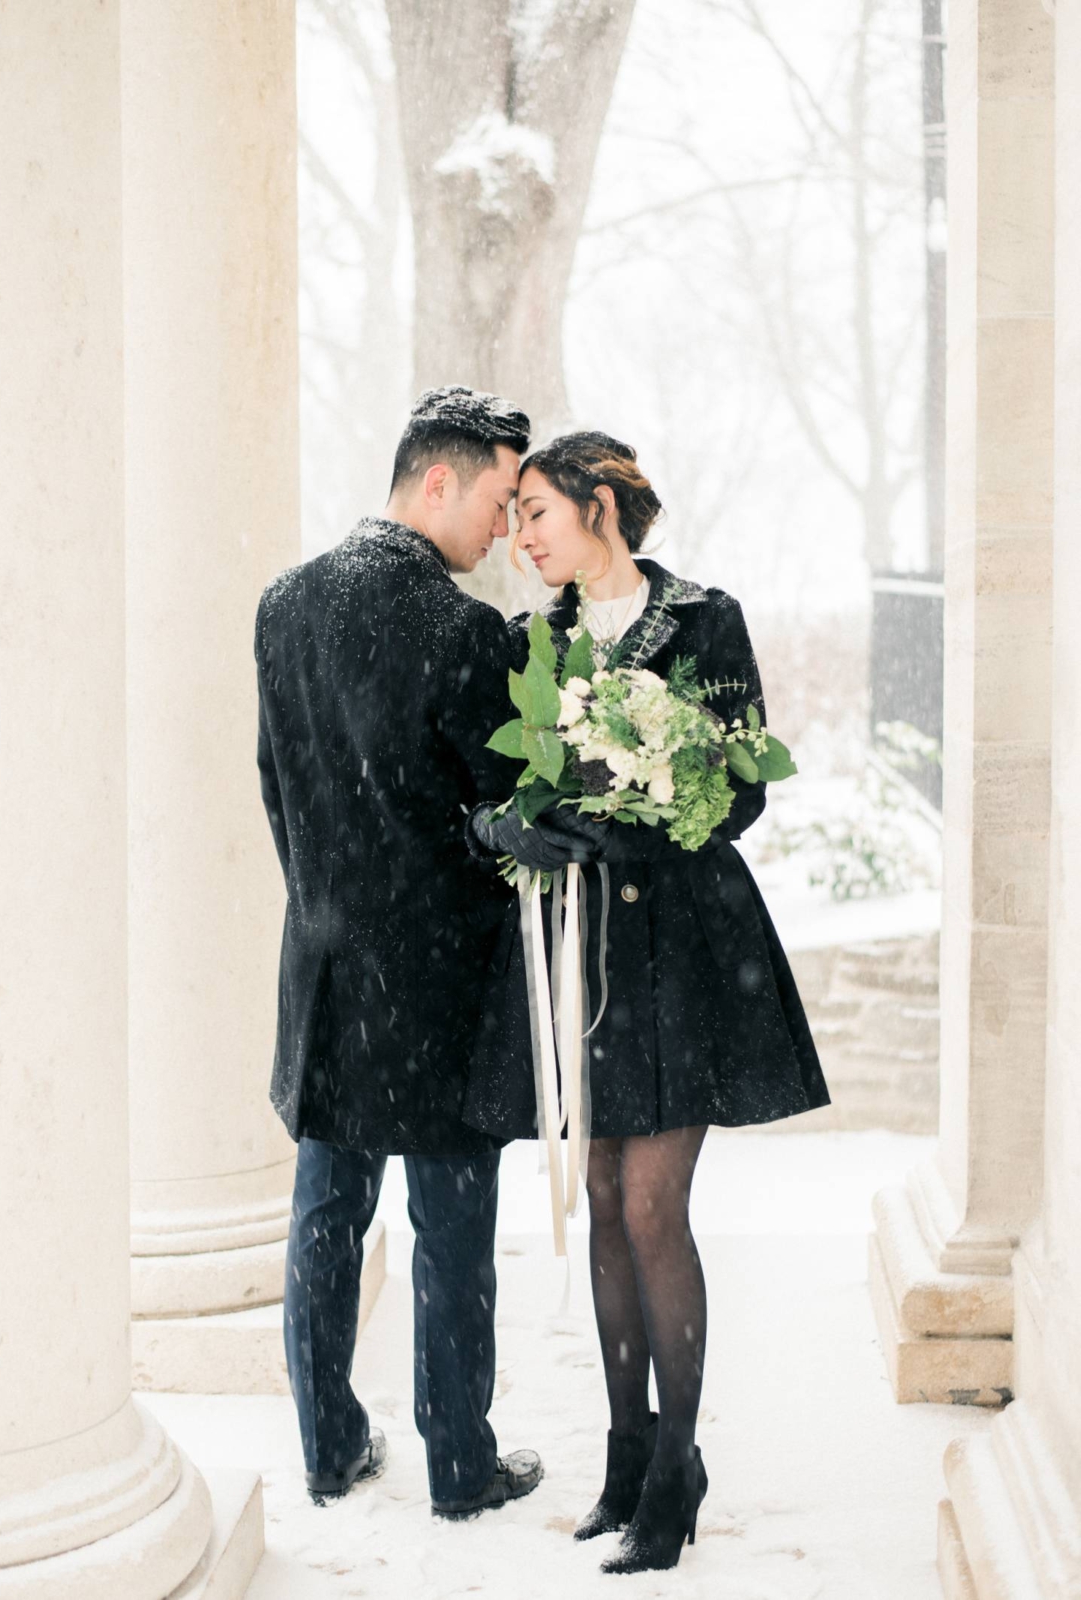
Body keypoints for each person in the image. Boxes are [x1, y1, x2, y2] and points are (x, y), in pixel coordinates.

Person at [467, 432, 831, 1573]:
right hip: (589, 948)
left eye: (537, 512)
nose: (521, 536)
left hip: (687, 944)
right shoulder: (540, 642)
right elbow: (493, 787)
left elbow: (735, 790)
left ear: (602, 507)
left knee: (651, 1202)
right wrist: (513, 826)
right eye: (516, 515)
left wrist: (630, 813)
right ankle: (624, 1455)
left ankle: (677, 1463)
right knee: (605, 1188)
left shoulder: (704, 621)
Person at [255, 386, 544, 1519]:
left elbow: (277, 786)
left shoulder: (283, 604)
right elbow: (502, 806)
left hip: (326, 968)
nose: (502, 530)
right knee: (451, 1226)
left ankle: (329, 1446)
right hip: (440, 978)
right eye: (497, 497)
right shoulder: (461, 630)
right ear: (438, 480)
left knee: (326, 1213)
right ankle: (458, 1467)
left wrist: (330, 896)